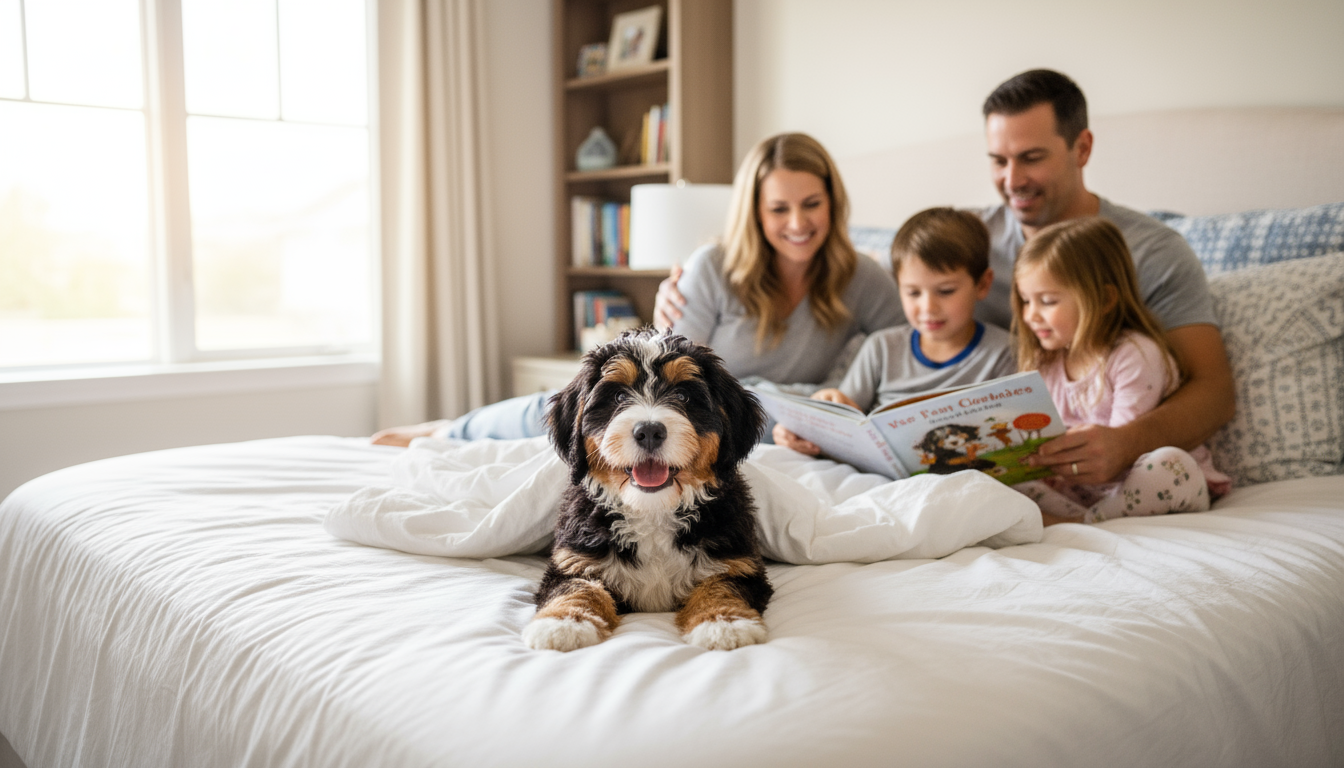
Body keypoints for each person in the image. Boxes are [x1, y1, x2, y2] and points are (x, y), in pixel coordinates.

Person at [655, 69, 1235, 486]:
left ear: (1082, 147)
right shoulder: (964, 242)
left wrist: (1127, 443)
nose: (1012, 180)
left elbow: (1214, 389)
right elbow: (904, 337)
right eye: (997, 160)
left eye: (1031, 157)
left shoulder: (1154, 251)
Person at [372, 132, 903, 447]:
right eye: (779, 208)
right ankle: (446, 434)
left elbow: (905, 355)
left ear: (832, 202)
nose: (798, 223)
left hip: (781, 427)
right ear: (754, 211)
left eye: (812, 204)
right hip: (697, 410)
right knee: (562, 410)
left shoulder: (864, 277)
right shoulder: (714, 266)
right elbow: (673, 377)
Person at [1010, 217, 1231, 525]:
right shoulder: (1045, 362)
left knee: (1168, 465)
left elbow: (1121, 454)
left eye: (1047, 301)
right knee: (1001, 483)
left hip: (1141, 481)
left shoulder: (1134, 354)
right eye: (1024, 300)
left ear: (1103, 299)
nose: (1031, 315)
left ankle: (1080, 526)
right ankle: (1095, 522)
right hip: (1086, 494)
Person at [773, 207, 1016, 455]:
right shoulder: (881, 348)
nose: (928, 308)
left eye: (945, 291)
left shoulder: (1006, 353)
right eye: (912, 293)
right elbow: (844, 418)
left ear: (983, 284)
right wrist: (806, 427)